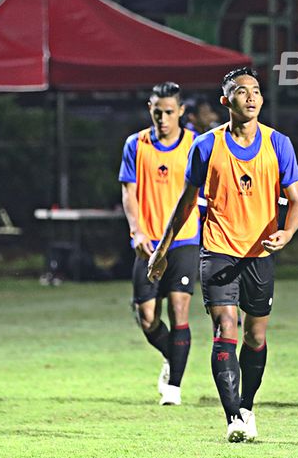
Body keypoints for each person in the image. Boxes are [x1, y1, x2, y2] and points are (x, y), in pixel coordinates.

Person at [147, 67, 298, 442]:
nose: (251, 96)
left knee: (255, 334)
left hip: (260, 253)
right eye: (241, 91)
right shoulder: (206, 146)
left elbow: (297, 201)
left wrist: (287, 231)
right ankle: (233, 416)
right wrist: (162, 249)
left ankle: (247, 405)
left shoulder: (278, 143)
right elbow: (186, 203)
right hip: (218, 250)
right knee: (225, 329)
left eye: (256, 90)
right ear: (226, 100)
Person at [118, 82, 200, 405]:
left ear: (181, 111)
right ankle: (173, 356)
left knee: (180, 309)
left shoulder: (196, 144)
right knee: (148, 317)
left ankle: (174, 387)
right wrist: (136, 232)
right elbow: (129, 193)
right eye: (157, 112)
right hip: (148, 243)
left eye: (169, 112)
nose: (163, 118)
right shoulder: (135, 145)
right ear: (149, 109)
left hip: (183, 239)